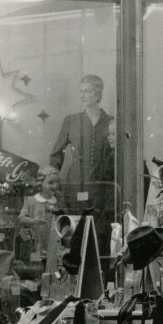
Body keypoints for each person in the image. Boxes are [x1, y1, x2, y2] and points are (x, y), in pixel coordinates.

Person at [50, 74, 117, 233]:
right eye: (81, 91)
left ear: (98, 94)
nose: (82, 95)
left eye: (87, 91)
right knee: (75, 229)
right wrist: (52, 179)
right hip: (76, 183)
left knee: (100, 230)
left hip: (102, 185)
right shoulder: (71, 121)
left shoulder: (111, 121)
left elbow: (119, 154)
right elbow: (56, 154)